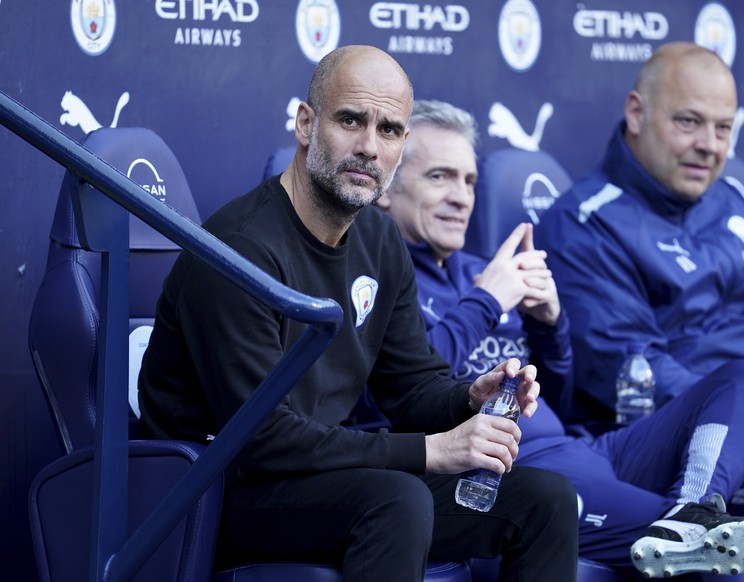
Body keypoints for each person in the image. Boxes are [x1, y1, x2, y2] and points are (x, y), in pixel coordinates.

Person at [137, 45, 580, 581]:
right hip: (215, 494)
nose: (369, 146)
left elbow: (412, 388)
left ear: (402, 146)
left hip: (320, 478)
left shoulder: (378, 236)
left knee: (545, 499)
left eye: (389, 130)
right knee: (396, 499)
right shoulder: (238, 249)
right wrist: (430, 451)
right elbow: (261, 440)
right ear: (306, 124)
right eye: (351, 120)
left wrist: (470, 396)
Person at [379, 98, 744, 580]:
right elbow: (403, 395)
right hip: (510, 475)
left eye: (469, 181)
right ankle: (687, 528)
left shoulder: (484, 270)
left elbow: (555, 403)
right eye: (439, 177)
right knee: (716, 561)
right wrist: (485, 302)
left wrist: (549, 327)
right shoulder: (383, 277)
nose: (462, 197)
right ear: (386, 188)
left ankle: (688, 511)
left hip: (585, 451)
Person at [535, 42, 744, 580]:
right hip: (678, 452)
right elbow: (636, 372)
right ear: (636, 113)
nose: (709, 146)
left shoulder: (729, 201)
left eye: (722, 129)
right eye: (689, 122)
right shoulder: (584, 223)